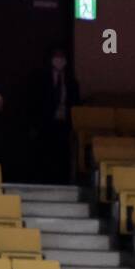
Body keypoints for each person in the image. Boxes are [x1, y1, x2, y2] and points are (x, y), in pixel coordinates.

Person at [39, 46, 80, 184]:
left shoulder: (71, 81)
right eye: (57, 57)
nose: (59, 60)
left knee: (62, 153)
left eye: (61, 57)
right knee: (46, 151)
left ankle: (62, 179)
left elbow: (75, 103)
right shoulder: (42, 79)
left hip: (64, 123)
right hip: (47, 122)